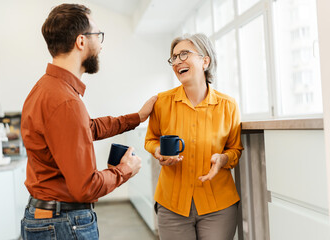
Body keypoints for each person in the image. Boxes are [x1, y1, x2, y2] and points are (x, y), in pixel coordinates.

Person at [20, 4, 157, 240]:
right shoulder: (65, 102)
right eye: (98, 35)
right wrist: (125, 170)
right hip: (63, 224)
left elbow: (87, 128)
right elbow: (86, 187)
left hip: (47, 219)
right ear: (81, 42)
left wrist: (137, 118)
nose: (101, 44)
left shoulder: (45, 89)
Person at [145, 33, 243, 240]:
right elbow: (151, 140)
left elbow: (235, 149)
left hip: (218, 206)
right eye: (174, 57)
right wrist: (158, 151)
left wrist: (223, 159)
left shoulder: (228, 106)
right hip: (172, 206)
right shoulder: (161, 102)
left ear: (205, 60)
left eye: (184, 54)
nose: (177, 61)